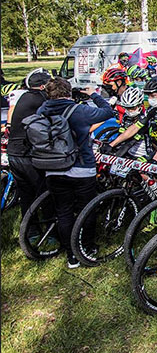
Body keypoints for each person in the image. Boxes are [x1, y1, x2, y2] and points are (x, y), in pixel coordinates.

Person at [38, 77, 115, 268]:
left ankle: (71, 254)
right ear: (68, 92)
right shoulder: (79, 111)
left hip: (53, 168)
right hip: (81, 168)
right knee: (86, 210)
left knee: (63, 212)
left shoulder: (42, 110)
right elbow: (107, 111)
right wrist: (93, 94)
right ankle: (85, 248)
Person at [107, 77, 157, 164]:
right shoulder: (152, 109)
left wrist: (155, 159)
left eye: (153, 96)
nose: (150, 99)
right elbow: (135, 127)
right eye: (148, 96)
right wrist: (111, 144)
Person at [6, 69, 52, 220]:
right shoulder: (40, 100)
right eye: (49, 83)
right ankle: (50, 230)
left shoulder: (25, 96)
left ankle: (30, 230)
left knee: (26, 193)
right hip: (26, 154)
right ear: (42, 87)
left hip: (13, 152)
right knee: (44, 191)